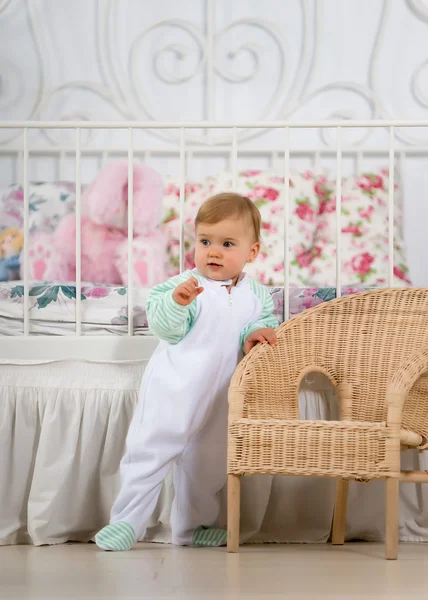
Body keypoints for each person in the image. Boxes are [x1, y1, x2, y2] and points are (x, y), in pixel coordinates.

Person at [95, 192, 278, 551]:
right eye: (205, 241)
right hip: (173, 390)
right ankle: (127, 522)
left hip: (220, 397)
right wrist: (177, 304)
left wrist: (257, 334)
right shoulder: (185, 287)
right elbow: (166, 327)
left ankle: (192, 527)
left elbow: (257, 327)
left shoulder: (256, 295)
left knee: (207, 464)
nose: (213, 251)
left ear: (251, 252)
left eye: (227, 244)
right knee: (149, 453)